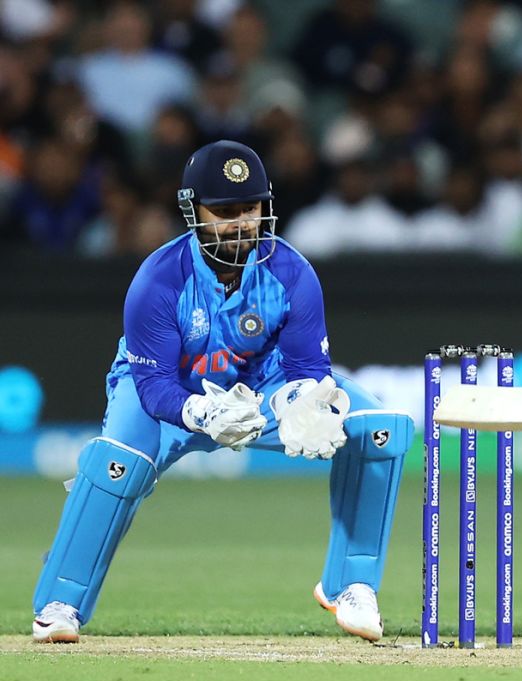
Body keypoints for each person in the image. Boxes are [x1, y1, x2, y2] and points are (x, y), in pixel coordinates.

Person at [31, 140, 413, 644]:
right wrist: (198, 411)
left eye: (249, 210)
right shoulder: (160, 280)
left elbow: (305, 366)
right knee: (116, 465)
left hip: (260, 390)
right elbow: (152, 385)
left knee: (378, 430)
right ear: (194, 211)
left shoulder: (292, 272)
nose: (240, 224)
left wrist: (301, 403)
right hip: (172, 394)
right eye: (225, 211)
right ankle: (61, 603)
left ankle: (352, 586)